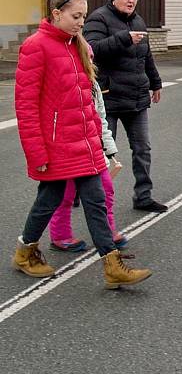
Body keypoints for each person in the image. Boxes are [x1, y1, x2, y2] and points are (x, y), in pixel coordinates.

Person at [13, 0, 152, 288]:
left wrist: (98, 141)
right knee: (47, 200)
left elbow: (87, 99)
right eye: (75, 16)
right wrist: (37, 153)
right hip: (55, 145)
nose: (80, 22)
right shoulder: (36, 46)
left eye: (83, 16)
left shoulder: (77, 44)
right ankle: (25, 252)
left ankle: (111, 265)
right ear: (56, 14)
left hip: (83, 143)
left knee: (96, 200)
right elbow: (25, 106)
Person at [83, 0, 167, 213]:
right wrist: (122, 39)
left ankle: (143, 196)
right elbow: (91, 50)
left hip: (137, 96)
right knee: (101, 152)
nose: (131, 1)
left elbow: (146, 55)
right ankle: (90, 196)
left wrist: (155, 82)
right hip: (108, 96)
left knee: (142, 149)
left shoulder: (138, 21)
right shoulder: (98, 19)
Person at [48, 52, 127, 252]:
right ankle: (60, 236)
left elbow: (101, 120)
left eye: (89, 58)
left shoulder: (94, 86)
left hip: (93, 149)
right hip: (68, 150)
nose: (87, 62)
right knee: (65, 195)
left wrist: (110, 150)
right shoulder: (61, 85)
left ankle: (108, 231)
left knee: (105, 190)